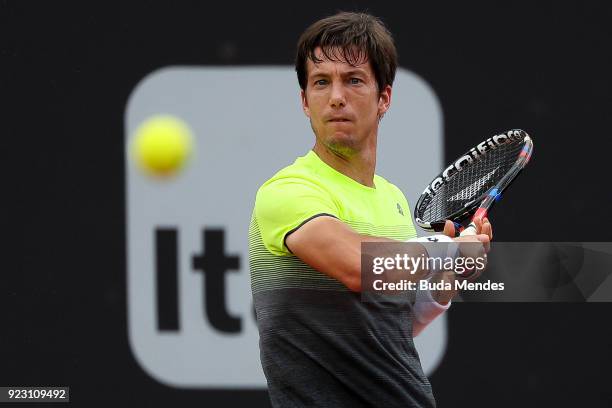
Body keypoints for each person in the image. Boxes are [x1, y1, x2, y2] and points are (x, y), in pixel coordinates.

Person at [249, 11, 492, 407]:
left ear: (384, 99)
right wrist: (443, 250)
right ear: (305, 102)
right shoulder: (288, 191)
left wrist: (449, 276)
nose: (337, 96)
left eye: (354, 80)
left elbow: (392, 326)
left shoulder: (392, 200)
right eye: (321, 82)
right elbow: (358, 266)